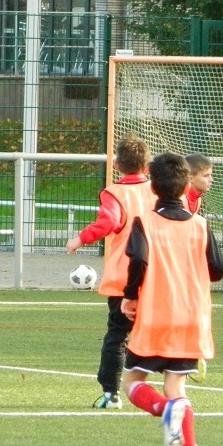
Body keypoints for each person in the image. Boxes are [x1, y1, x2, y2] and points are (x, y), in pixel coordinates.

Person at [120, 152, 223, 446]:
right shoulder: (200, 225)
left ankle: (166, 410)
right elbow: (219, 267)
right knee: (176, 387)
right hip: (192, 317)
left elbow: (138, 261)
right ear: (185, 187)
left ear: (153, 187)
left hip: (156, 316)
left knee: (132, 382)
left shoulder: (145, 222)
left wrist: (129, 296)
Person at [66, 134, 152, 409]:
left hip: (125, 277)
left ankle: (111, 394)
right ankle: (177, 378)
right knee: (155, 331)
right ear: (147, 167)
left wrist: (80, 239)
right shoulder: (159, 190)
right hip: (157, 275)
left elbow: (109, 222)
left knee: (118, 335)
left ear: (116, 165)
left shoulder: (115, 193)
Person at [184, 153, 214, 382]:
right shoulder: (182, 199)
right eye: (206, 175)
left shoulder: (196, 198)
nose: (211, 179)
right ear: (190, 178)